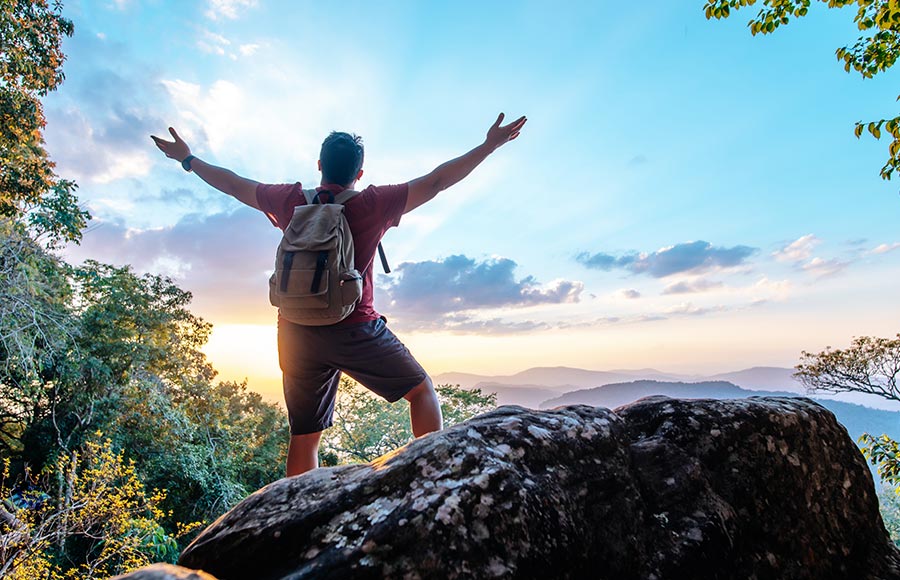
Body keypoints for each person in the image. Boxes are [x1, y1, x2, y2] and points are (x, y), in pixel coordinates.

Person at [151, 112, 527, 476]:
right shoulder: (372, 203)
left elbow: (234, 184)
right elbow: (437, 181)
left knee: (304, 438)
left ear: (319, 165)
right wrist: (488, 146)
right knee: (422, 391)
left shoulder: (291, 200)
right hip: (356, 328)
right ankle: (434, 480)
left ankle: (296, 516)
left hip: (296, 332)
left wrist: (187, 158)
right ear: (359, 174)